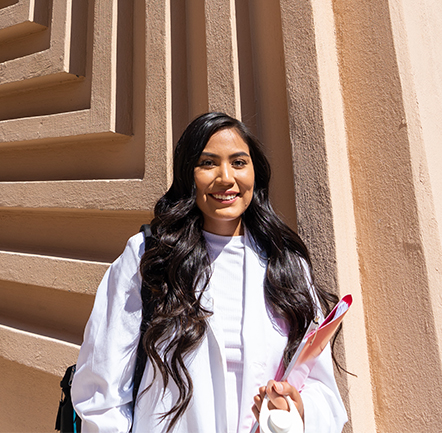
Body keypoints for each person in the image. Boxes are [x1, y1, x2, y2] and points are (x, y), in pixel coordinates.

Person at [72, 112, 348, 433]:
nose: (226, 177)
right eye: (208, 163)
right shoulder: (149, 256)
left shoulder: (284, 263)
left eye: (239, 162)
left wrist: (297, 408)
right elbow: (102, 384)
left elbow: (321, 386)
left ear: (255, 173)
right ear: (188, 174)